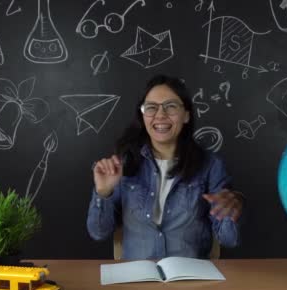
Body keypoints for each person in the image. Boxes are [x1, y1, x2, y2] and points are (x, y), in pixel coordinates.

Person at [87, 74, 244, 260]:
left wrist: (232, 209)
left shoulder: (210, 165)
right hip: (136, 280)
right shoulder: (124, 164)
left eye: (170, 106)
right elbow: (98, 233)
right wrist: (103, 193)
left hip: (191, 280)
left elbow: (229, 240)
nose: (160, 115)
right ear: (143, 116)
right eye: (151, 108)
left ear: (186, 115)